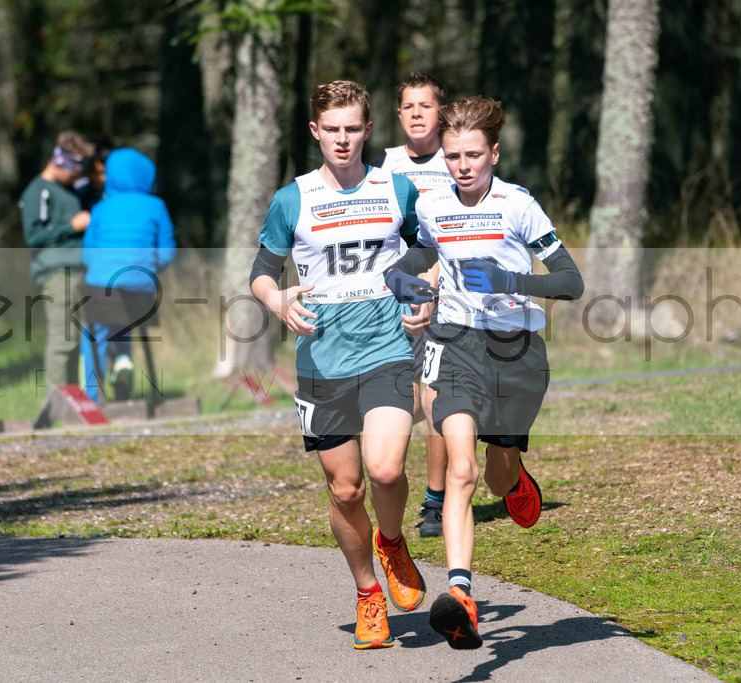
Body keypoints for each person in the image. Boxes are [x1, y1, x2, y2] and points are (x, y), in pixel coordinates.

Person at [383, 96, 584, 649]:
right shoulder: (432, 205)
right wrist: (401, 281)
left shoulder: (519, 206)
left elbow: (570, 282)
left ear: (494, 153)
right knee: (461, 470)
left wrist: (507, 281)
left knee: (496, 475)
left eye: (474, 155)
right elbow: (413, 259)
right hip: (454, 344)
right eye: (452, 156)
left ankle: (516, 479)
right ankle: (461, 594)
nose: (463, 166)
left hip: (516, 352)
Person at [249, 80, 428, 650]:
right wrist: (277, 301)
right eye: (332, 130)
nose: (343, 139)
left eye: (353, 128)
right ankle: (367, 594)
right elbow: (261, 268)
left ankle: (393, 540)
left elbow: (428, 248)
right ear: (315, 132)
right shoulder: (292, 199)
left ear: (369, 130)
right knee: (346, 490)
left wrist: (419, 289)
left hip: (387, 346)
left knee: (385, 470)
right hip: (321, 356)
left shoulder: (396, 189)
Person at [372, 73, 451, 537]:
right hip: (399, 295)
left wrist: (432, 287)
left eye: (426, 105)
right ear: (398, 115)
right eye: (409, 106)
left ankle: (435, 502)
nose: (417, 113)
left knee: (435, 398)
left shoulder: (458, 160)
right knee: (405, 398)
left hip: (450, 293)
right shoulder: (385, 169)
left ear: (441, 112)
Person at [81, 147, 176, 402]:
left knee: (93, 334)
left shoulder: (101, 208)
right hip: (142, 289)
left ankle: (92, 398)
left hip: (101, 287)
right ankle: (123, 377)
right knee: (124, 329)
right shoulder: (156, 206)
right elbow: (167, 253)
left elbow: (87, 254)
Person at [20, 131, 94, 396]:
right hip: (57, 274)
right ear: (61, 162)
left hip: (79, 272)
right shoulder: (39, 191)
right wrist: (71, 226)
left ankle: (75, 400)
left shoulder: (68, 190)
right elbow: (34, 237)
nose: (78, 177)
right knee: (63, 339)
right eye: (75, 171)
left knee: (77, 341)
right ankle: (57, 403)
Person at [76, 133, 116, 211]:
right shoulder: (79, 193)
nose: (103, 178)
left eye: (107, 172)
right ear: (87, 171)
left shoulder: (119, 194)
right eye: (98, 173)